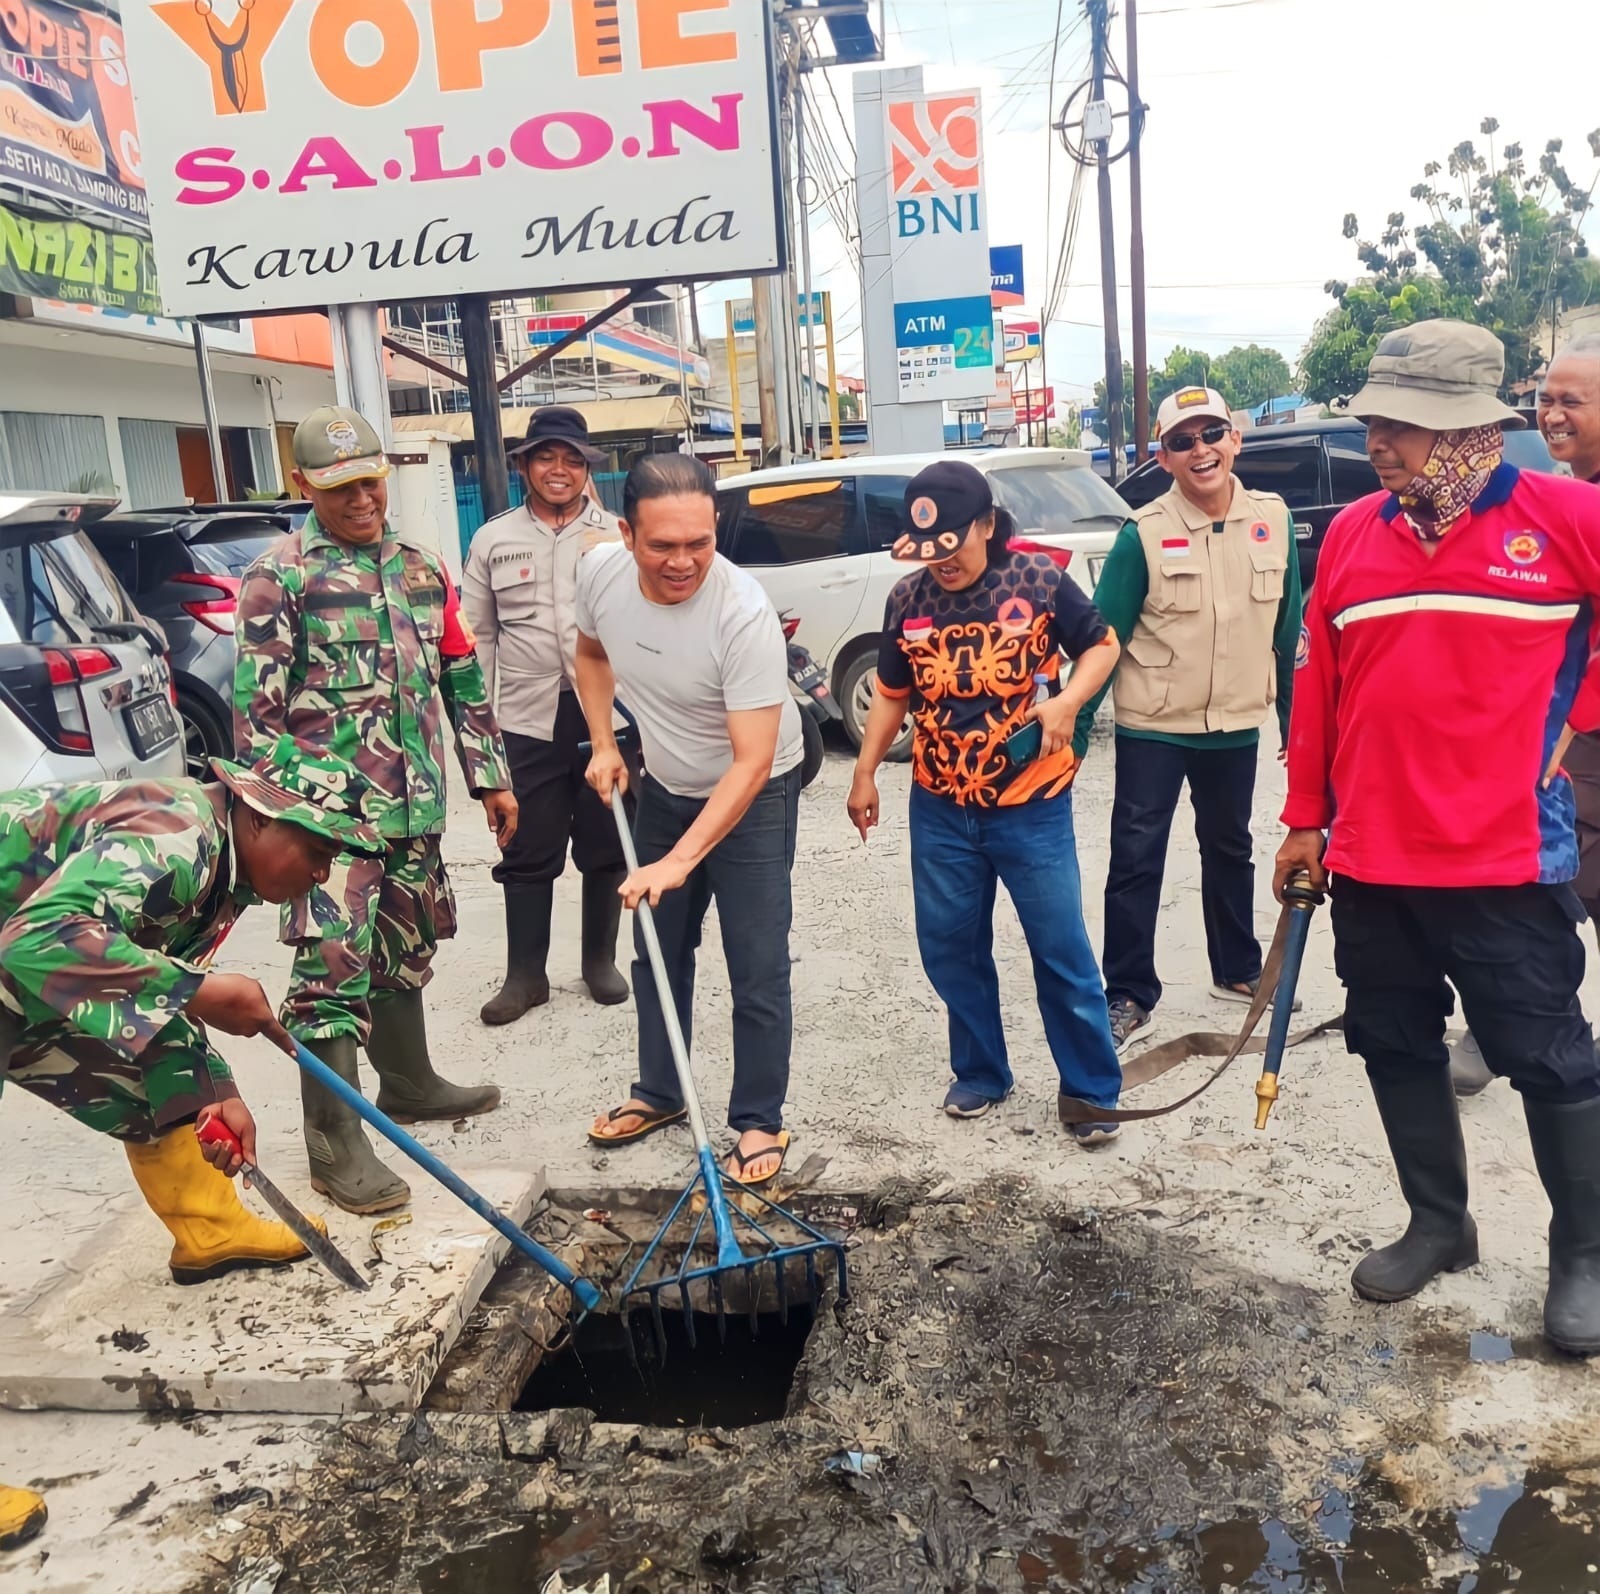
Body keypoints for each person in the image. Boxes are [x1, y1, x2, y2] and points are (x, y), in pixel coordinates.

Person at [1276, 319, 1600, 1356]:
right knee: (1392, 1039)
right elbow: (1317, 683)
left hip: (1506, 857)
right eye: (1375, 419)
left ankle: (1584, 1255)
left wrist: (1582, 714)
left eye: (1404, 424)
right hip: (1372, 859)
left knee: (1548, 1058)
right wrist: (1303, 819)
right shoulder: (1349, 534)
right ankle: (1438, 1223)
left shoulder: (1565, 514)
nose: (1379, 440)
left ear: (1467, 429)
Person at [0, 738, 382, 1555]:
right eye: (315, 850)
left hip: (14, 976)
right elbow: (39, 941)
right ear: (257, 816)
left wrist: (217, 1087)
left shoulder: (222, 872)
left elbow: (144, 988)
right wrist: (201, 992)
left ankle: (210, 1230)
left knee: (155, 1075)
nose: (322, 873)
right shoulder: (177, 838)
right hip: (18, 956)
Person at [234, 406, 517, 1215]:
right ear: (303, 485)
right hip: (329, 827)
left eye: (371, 482)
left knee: (404, 946)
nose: (362, 499)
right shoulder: (279, 578)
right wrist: (282, 828)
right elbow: (256, 724)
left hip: (413, 810)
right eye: (341, 488)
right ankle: (334, 1143)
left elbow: (460, 676)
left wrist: (490, 778)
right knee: (329, 972)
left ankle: (409, 1082)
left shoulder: (422, 568)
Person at [847, 460, 1125, 1139]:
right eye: (929, 551)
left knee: (1060, 949)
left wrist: (1068, 702)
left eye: (953, 545)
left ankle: (1091, 1091)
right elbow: (892, 695)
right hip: (940, 804)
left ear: (986, 525)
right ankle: (980, 1072)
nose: (941, 562)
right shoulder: (906, 599)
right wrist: (865, 771)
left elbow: (1103, 646)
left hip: (1032, 802)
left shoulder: (1038, 580)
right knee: (950, 946)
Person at [575, 454, 805, 1187]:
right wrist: (605, 741)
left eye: (699, 543)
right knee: (657, 946)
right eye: (663, 545)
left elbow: (752, 761)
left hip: (755, 791)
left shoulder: (742, 613)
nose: (683, 562)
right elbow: (590, 653)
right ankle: (660, 1092)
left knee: (756, 959)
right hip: (668, 784)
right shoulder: (600, 575)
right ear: (627, 534)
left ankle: (759, 1119)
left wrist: (679, 860)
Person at [1075, 386, 1304, 1051]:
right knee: (1136, 856)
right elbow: (1103, 640)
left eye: (1211, 434)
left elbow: (1286, 628)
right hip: (1155, 724)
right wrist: (1074, 730)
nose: (1200, 450)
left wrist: (1295, 723)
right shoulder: (1142, 534)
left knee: (1230, 846)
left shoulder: (1274, 519)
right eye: (1182, 441)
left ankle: (1236, 968)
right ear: (1164, 457)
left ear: (1235, 439)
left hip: (1234, 723)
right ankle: (1127, 991)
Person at [1452, 331, 1600, 1096]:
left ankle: (1516, 1026)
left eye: (1572, 400)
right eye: (1545, 398)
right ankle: (1506, 1019)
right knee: (1542, 871)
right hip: (1553, 729)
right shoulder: (1556, 494)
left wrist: (1579, 711)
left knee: (1563, 874)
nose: (1552, 413)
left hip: (1580, 730)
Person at [463, 407, 631, 1024]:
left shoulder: (617, 535)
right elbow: (476, 642)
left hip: (605, 715)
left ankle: (598, 962)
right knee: (526, 845)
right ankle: (525, 977)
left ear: (588, 467)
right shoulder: (493, 539)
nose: (559, 470)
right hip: (526, 718)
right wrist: (480, 743)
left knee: (608, 839)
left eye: (572, 459)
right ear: (525, 466)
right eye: (546, 458)